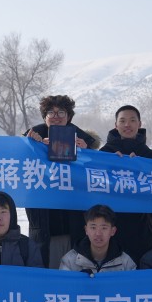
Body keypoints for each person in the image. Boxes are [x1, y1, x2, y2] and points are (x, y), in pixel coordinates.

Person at [24, 95, 98, 269]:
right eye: (51, 112)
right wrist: (33, 148)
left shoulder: (85, 145)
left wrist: (87, 154)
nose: (56, 116)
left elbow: (95, 179)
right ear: (44, 117)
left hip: (76, 227)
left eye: (61, 112)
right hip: (43, 229)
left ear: (69, 117)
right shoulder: (32, 142)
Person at [98, 104, 152, 264]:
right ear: (116, 125)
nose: (127, 125)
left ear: (139, 124)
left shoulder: (150, 155)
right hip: (113, 224)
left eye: (132, 120)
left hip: (144, 225)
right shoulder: (104, 153)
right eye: (123, 120)